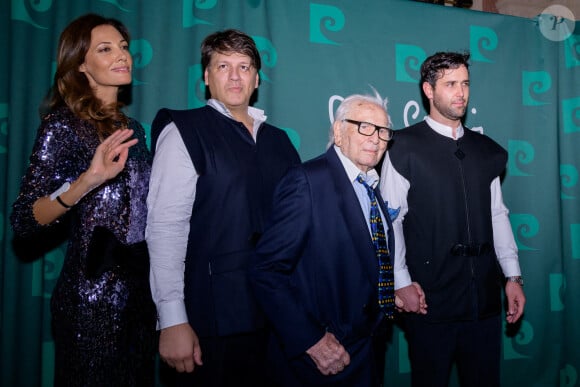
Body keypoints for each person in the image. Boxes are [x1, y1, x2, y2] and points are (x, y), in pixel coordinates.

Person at [146, 29, 300, 386]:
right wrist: (172, 319)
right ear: (206, 76)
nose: (234, 76)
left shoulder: (279, 141)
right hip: (210, 318)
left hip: (276, 314)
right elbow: (165, 227)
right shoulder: (184, 129)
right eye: (223, 66)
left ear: (257, 78)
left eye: (244, 66)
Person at [10, 14, 156, 386]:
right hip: (90, 299)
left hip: (139, 297)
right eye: (105, 49)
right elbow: (25, 219)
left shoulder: (135, 129)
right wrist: (88, 180)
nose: (122, 55)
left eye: (123, 47)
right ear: (80, 65)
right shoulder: (63, 124)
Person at [249, 92, 421, 386]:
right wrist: (311, 340)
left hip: (366, 351)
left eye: (383, 131)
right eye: (364, 126)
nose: (376, 138)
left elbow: (355, 260)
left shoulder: (370, 187)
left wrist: (385, 293)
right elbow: (266, 270)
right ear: (339, 133)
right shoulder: (307, 181)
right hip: (319, 359)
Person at [380, 51, 526, 387]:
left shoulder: (486, 149)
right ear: (429, 90)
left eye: (464, 83)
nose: (460, 92)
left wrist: (513, 275)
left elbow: (497, 214)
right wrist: (400, 281)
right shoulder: (403, 146)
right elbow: (392, 220)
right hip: (430, 302)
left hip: (483, 304)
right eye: (450, 84)